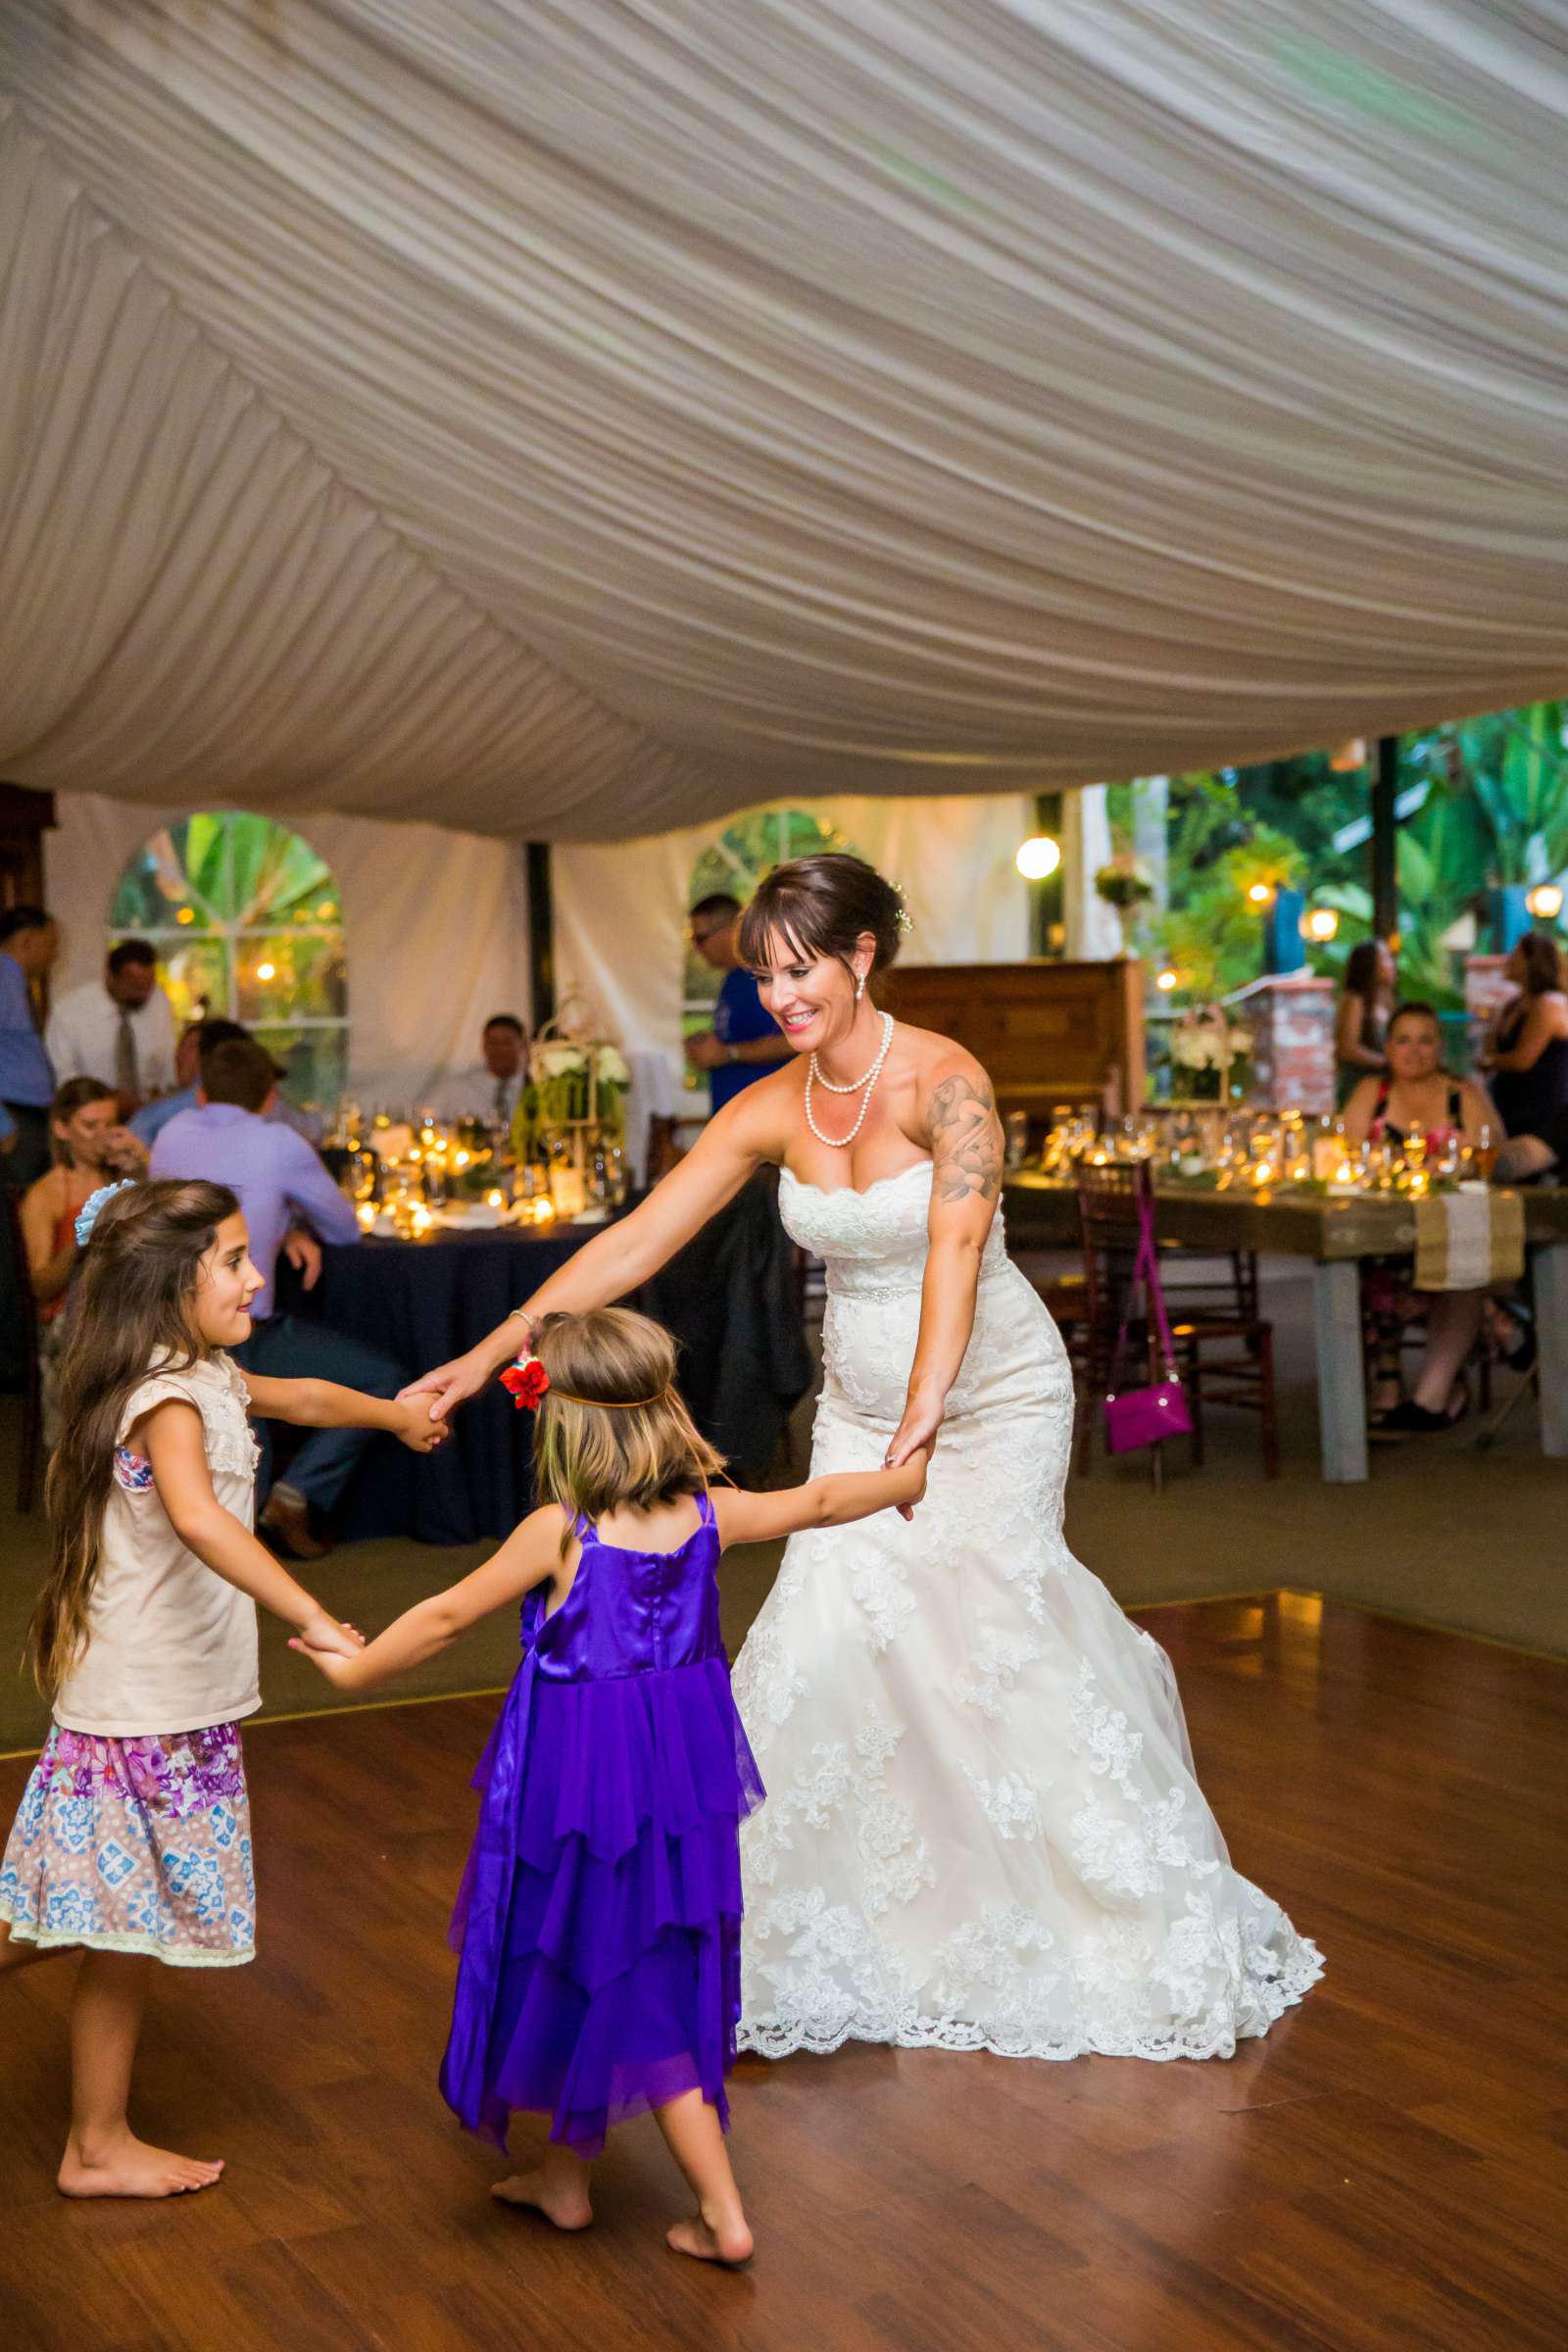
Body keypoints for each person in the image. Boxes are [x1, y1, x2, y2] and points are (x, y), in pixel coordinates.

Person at [402, 852, 1321, 2067]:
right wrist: (487, 1354)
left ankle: (1076, 1916)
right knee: (839, 1633)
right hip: (857, 1404)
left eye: (800, 970)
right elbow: (634, 1242)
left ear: (861, 957)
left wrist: (927, 1412)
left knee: (986, 1627)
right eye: (764, 976)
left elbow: (954, 1249)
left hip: (986, 1396)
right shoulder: (771, 1107)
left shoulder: (947, 1084)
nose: (781, 996)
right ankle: (881, 1922)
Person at [295, 1304, 924, 2263]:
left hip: (580, 1781)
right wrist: (905, 1478)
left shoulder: (561, 1533)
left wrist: (354, 1667)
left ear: (560, 1420)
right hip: (679, 1770)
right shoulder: (709, 1511)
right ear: (663, 1409)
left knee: (615, 1966)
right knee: (605, 1952)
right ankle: (564, 2179)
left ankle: (721, 2213)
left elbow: (446, 1617)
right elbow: (825, 1501)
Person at [0, 1178, 445, 2200]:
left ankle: (96, 2143)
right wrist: (314, 1615)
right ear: (169, 1283)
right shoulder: (162, 1393)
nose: (255, 1278)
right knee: (103, 1922)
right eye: (235, 1261)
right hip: (141, 1705)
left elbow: (306, 1397)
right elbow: (201, 1520)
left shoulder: (203, 1370)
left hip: (174, 1700)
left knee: (102, 1918)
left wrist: (392, 1412)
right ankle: (97, 2143)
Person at [150, 1038, 395, 1560]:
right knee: (383, 1379)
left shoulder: (170, 1133)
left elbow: (196, 1219)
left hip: (167, 1332)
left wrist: (279, 1227)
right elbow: (344, 1227)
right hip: (238, 1333)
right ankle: (296, 1492)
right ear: (268, 1099)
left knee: (247, 1433)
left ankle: (264, 1509)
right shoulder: (278, 1140)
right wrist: (291, 1221)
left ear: (200, 1094)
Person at [1343, 1002, 1499, 1433]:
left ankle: (1435, 1391)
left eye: (1425, 1040)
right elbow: (1347, 1154)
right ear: (1388, 1048)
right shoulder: (1370, 1093)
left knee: (1461, 1265)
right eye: (1403, 1040)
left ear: (1440, 1047)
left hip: (1451, 1225)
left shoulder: (1461, 1094)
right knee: (1368, 1261)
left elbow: (1490, 1154)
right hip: (1383, 1225)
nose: (1414, 1051)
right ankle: (1390, 1379)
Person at [22, 1078, 150, 1445]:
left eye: (110, 1124)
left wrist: (143, 1162)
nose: (102, 1136)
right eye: (90, 1126)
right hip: (71, 1323)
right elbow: (40, 1286)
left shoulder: (123, 1177)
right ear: (62, 1129)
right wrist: (80, 1243)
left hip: (125, 1310)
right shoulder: (45, 1193)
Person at [684, 895, 791, 1112]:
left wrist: (728, 1053)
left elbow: (793, 1042)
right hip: (732, 1115)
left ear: (730, 930)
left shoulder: (765, 976)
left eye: (701, 938)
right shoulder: (733, 978)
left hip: (765, 1115)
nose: (696, 947)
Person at [46, 940, 177, 1114]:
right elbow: (63, 1076)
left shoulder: (158, 1002)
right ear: (110, 975)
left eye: (148, 985)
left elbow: (168, 1061)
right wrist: (108, 1099)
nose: (142, 992)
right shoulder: (70, 1012)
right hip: (90, 1112)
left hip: (147, 1112)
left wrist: (163, 1092)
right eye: (134, 984)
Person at [1478, 932, 1568, 1141]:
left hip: (1540, 1112)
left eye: (1516, 954)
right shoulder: (1515, 1004)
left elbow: (1522, 1060)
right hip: (1509, 1107)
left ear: (1532, 961)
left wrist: (1489, 1061)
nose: (1509, 960)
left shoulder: (1548, 1003)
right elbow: (1493, 1045)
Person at [0, 904, 60, 1183]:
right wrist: (2, 1124)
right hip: (13, 1116)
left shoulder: (14, 982)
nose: (54, 955)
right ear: (26, 940)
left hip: (28, 1115)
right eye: (50, 945)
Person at [429, 1013, 530, 1127]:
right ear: (484, 1047)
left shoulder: (534, 1087)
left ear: (523, 1046)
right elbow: (426, 1119)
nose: (499, 1049)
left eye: (507, 1043)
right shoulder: (456, 1088)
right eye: (493, 1043)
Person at [1335, 938, 1396, 1102]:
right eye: (1385, 958)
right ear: (1369, 965)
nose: (1391, 965)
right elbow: (1348, 1049)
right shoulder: (1356, 1000)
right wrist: (1387, 1062)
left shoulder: (1387, 1002)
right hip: (1359, 1087)